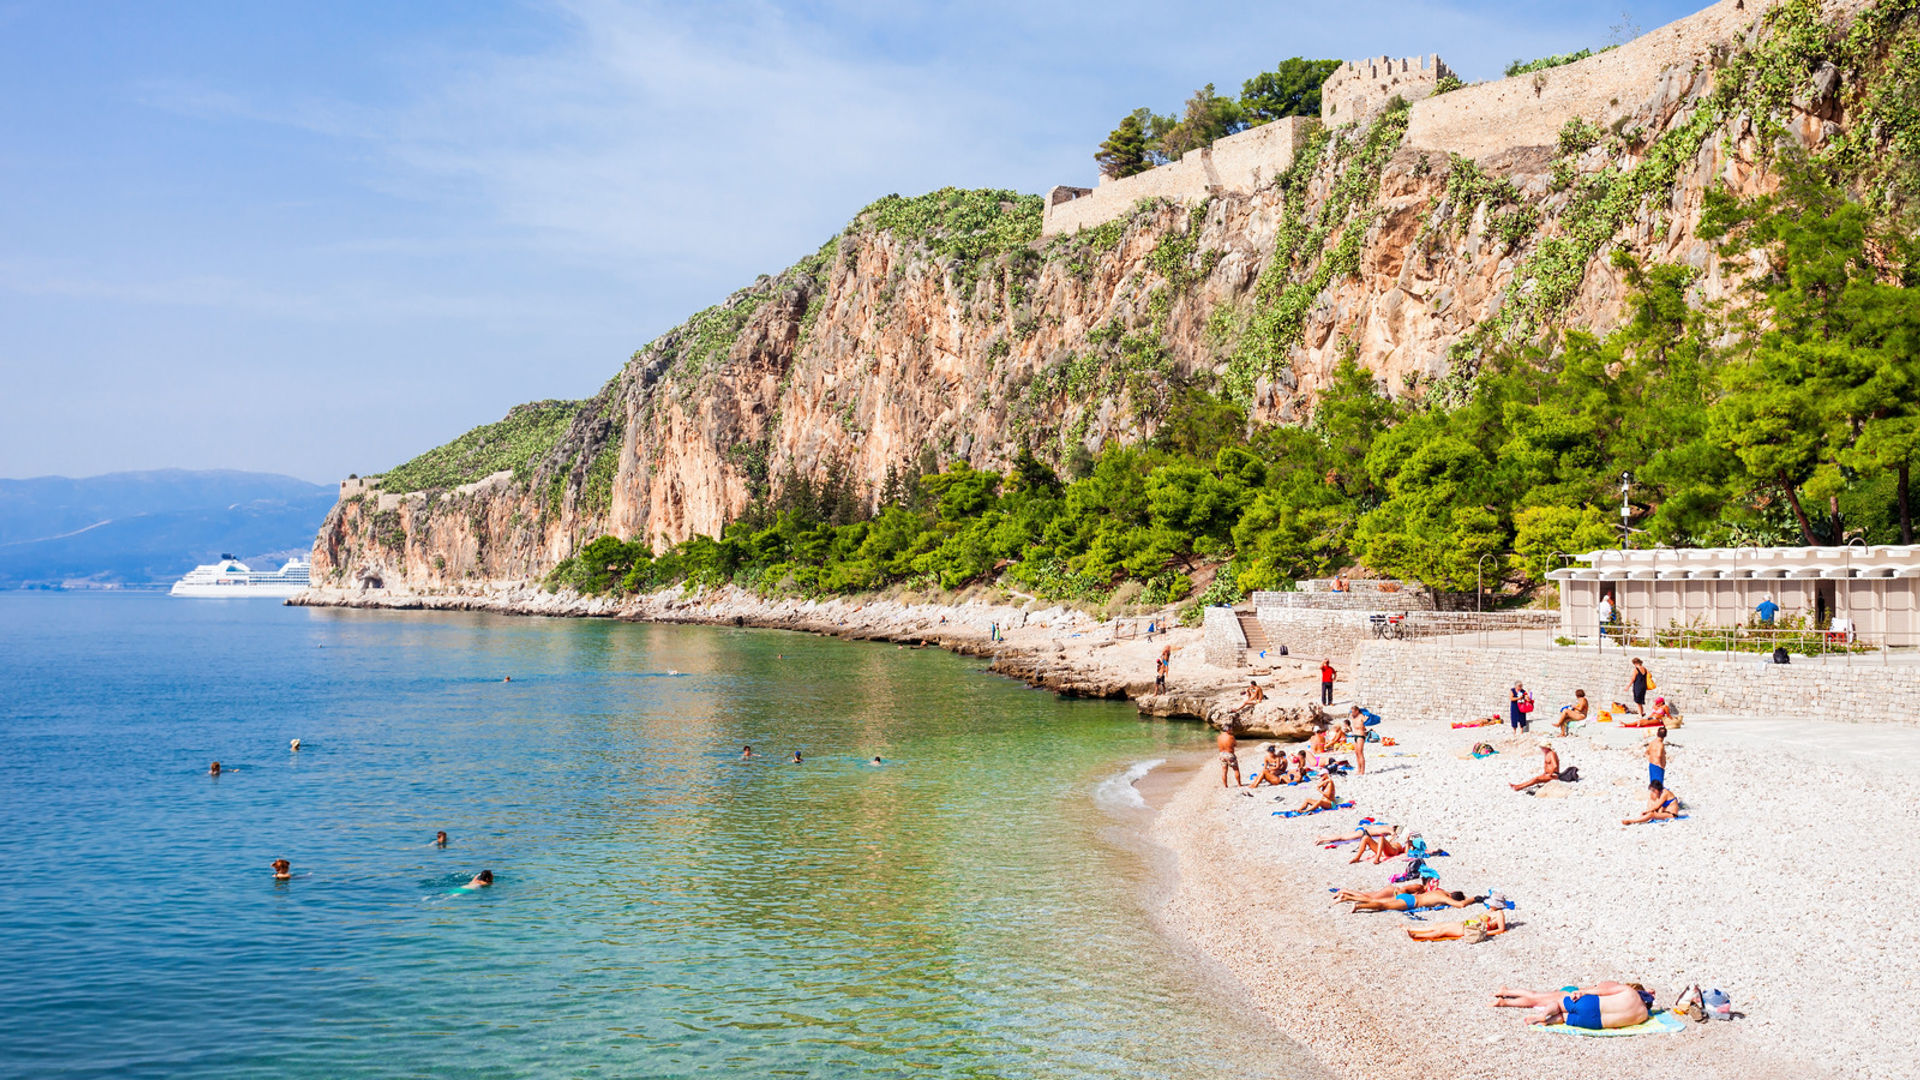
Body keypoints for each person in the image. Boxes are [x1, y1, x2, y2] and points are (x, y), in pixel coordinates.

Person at [1494, 982, 1653, 1030]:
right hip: (1594, 1023)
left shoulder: (1628, 992)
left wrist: (1582, 992)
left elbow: (1603, 988)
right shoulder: (1643, 1016)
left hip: (1589, 1003)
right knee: (1563, 1017)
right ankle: (1547, 1021)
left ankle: (1507, 996)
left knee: (1542, 998)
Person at [1407, 907, 1508, 942]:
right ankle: (1414, 928)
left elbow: (1501, 930)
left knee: (1442, 931)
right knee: (1440, 925)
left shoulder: (1499, 914)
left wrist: (1486, 933)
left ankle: (1418, 935)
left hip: (1470, 929)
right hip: (1467, 924)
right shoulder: (1491, 911)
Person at [1347, 888, 1479, 913]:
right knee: (1383, 906)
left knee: (1377, 898)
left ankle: (1349, 896)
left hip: (1408, 897)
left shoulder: (1440, 891)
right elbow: (1461, 905)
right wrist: (1474, 899)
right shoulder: (1443, 898)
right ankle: (1358, 906)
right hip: (1411, 903)